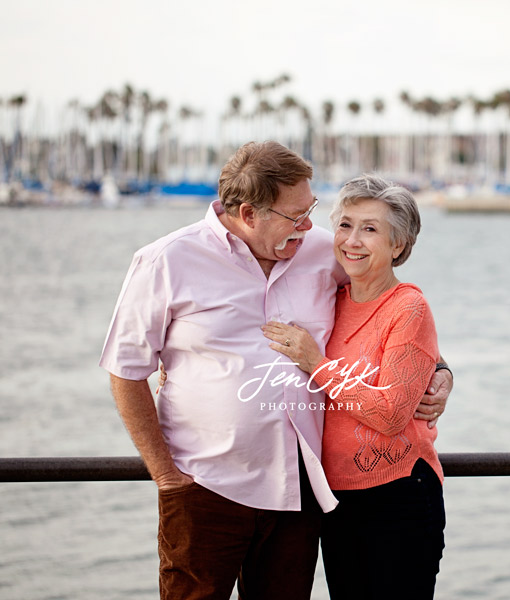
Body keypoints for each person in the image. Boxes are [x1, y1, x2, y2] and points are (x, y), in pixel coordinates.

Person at [99, 142, 452, 600]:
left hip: (297, 493)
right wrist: (166, 476)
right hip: (205, 488)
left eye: (311, 211)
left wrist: (441, 371)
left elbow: (390, 312)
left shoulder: (325, 253)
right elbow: (126, 371)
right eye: (295, 216)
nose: (311, 226)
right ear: (249, 213)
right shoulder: (166, 260)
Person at [262, 173, 446, 599]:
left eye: (370, 229)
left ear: (397, 245)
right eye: (345, 225)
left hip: (399, 495)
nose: (352, 240)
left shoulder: (409, 307)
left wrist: (315, 363)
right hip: (336, 500)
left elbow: (391, 414)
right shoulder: (332, 298)